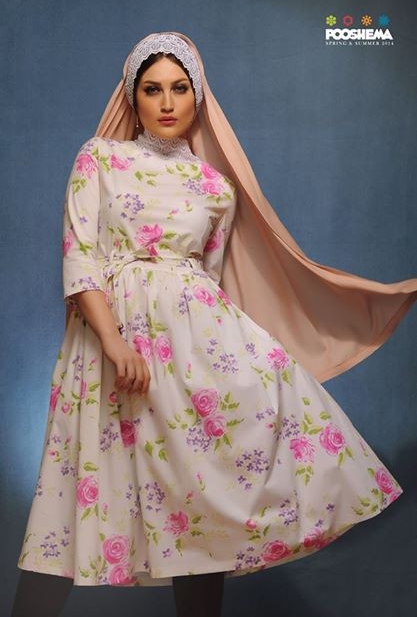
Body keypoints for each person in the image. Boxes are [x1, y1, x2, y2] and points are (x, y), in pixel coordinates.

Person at [11, 31, 416, 616]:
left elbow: (209, 280)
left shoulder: (215, 187)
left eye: (180, 88)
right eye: (152, 89)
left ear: (198, 98)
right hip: (112, 353)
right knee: (65, 517)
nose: (167, 102)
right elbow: (80, 260)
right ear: (133, 97)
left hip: (196, 360)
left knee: (198, 514)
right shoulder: (99, 158)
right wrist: (114, 341)